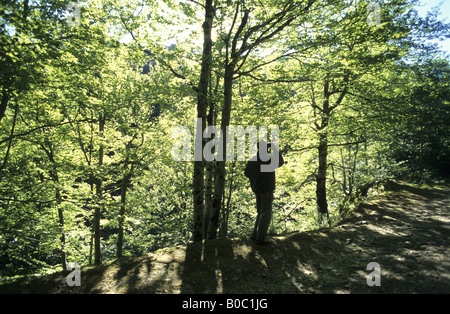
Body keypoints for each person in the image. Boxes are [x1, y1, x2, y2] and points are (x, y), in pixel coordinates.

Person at [245, 140, 284, 244]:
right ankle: (260, 238)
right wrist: (274, 148)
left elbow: (247, 173)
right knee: (266, 213)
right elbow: (280, 162)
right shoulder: (268, 159)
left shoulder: (252, 160)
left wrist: (256, 178)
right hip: (266, 190)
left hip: (257, 190)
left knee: (260, 213)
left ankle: (255, 234)